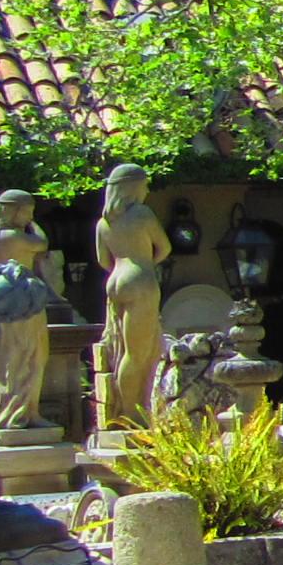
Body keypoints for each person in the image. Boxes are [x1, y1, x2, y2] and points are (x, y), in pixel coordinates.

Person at [94, 164, 171, 428]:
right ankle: (130, 415)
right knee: (137, 353)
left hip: (115, 279)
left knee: (122, 349)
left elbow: (103, 260)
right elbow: (165, 247)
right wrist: (146, 266)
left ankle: (126, 409)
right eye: (144, 184)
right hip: (140, 280)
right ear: (132, 187)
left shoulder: (103, 223)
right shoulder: (142, 214)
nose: (147, 190)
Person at [0, 191, 51, 430]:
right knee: (24, 355)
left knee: (13, 357)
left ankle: (27, 410)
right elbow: (42, 243)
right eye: (28, 212)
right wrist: (33, 225)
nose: (30, 216)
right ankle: (17, 413)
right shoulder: (11, 235)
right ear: (14, 211)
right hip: (22, 298)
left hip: (6, 295)